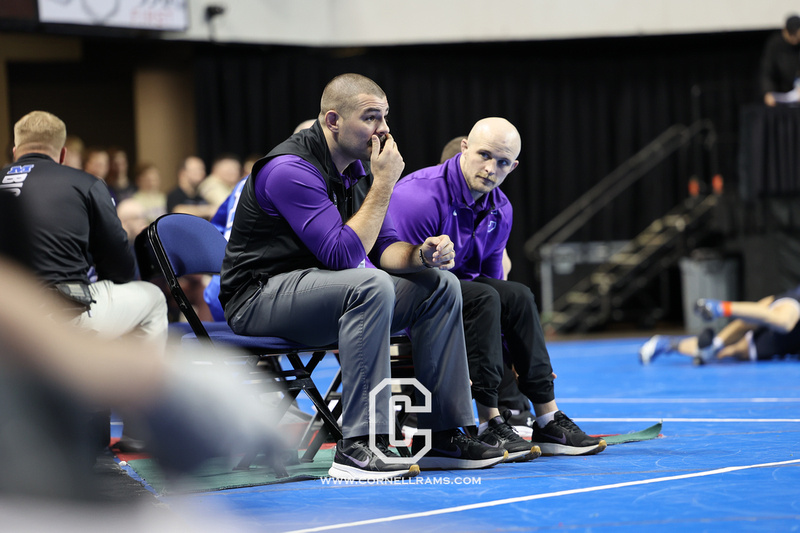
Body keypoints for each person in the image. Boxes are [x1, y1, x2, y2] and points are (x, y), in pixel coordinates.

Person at [219, 74, 509, 480]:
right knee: (368, 285)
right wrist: (386, 182)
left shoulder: (356, 170)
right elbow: (340, 255)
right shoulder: (289, 169)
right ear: (334, 120)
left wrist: (423, 254)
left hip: (319, 292)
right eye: (372, 117)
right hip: (258, 297)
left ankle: (442, 433)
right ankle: (357, 445)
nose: (384, 129)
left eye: (385, 117)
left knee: (441, 285)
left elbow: (386, 250)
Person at [388, 117, 607, 458]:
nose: (491, 168)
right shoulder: (419, 196)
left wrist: (516, 353)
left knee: (517, 295)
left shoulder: (501, 209)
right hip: (404, 298)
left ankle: (547, 416)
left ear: (514, 166)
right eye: (484, 155)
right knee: (482, 296)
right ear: (464, 149)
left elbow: (497, 289)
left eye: (502, 162)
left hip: (463, 300)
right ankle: (489, 421)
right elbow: (391, 268)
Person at [1, 111, 168, 346]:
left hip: (7, 316)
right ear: (62, 154)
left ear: (15, 151)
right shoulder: (86, 184)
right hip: (59, 314)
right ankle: (129, 381)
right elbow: (120, 268)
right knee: (154, 298)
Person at [640, 289, 800, 364]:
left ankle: (669, 344)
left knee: (732, 352)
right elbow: (768, 303)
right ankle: (720, 308)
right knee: (782, 321)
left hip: (790, 341)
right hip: (793, 306)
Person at [760, 14, 800, 107]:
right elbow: (767, 71)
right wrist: (768, 92)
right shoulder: (775, 44)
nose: (795, 40)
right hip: (780, 94)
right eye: (793, 36)